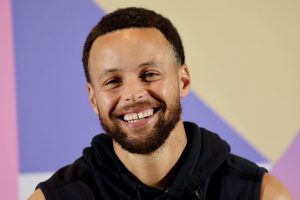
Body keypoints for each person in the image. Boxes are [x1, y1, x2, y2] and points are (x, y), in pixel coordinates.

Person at [29, 7, 291, 200]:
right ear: (93, 98)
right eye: (113, 81)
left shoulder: (261, 195)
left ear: (183, 81)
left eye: (149, 74)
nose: (133, 94)